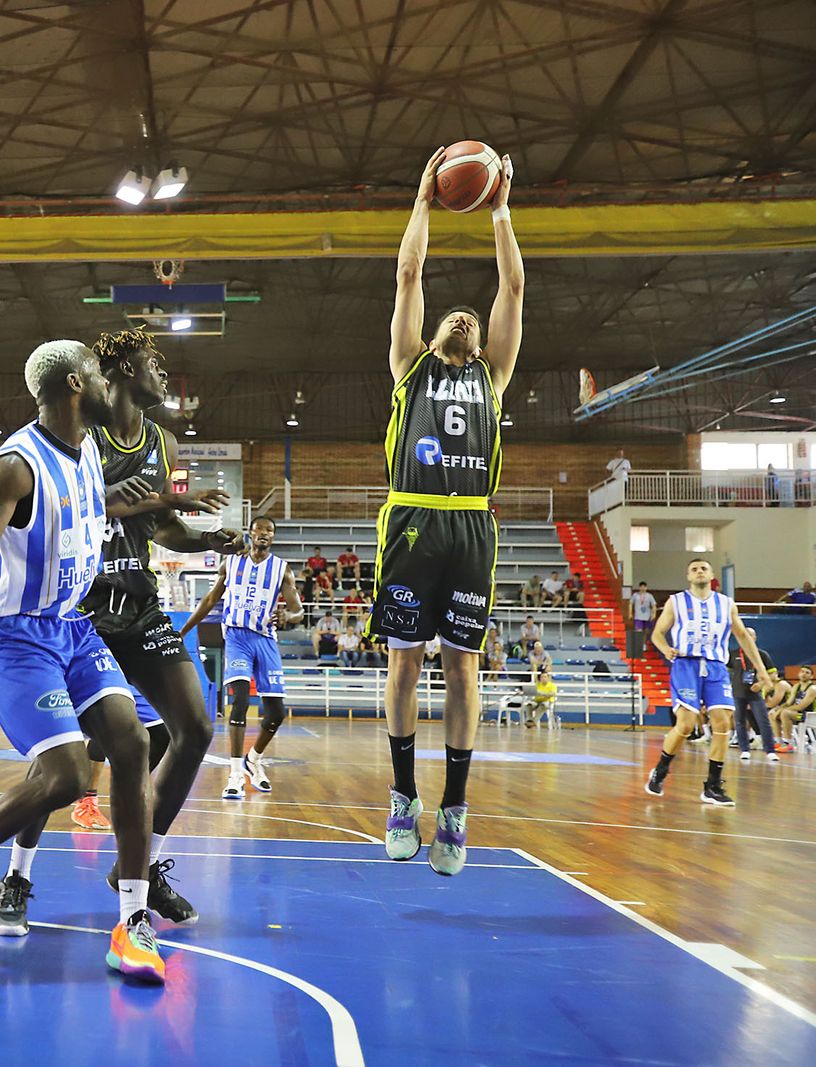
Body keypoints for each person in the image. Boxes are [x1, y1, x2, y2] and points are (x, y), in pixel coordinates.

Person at [0, 339, 165, 984]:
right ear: (76, 383)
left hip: (71, 628)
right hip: (15, 636)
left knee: (132, 742)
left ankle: (133, 923)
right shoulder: (14, 466)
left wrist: (169, 504)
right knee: (69, 775)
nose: (108, 385)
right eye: (99, 375)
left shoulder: (90, 449)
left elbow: (97, 504)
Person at [0, 326, 242, 936]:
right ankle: (17, 876)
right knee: (60, 760)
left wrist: (205, 540)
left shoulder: (165, 441)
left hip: (139, 604)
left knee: (195, 728)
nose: (165, 374)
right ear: (123, 370)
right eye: (155, 363)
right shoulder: (81, 431)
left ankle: (141, 865)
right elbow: (60, 505)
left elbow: (160, 530)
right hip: (80, 611)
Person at [367, 144, 523, 877]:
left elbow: (513, 289)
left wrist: (499, 209)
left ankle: (454, 807)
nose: (464, 316)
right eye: (451, 314)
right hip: (412, 520)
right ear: (429, 334)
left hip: (470, 525)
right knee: (403, 663)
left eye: (471, 314)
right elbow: (409, 273)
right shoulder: (410, 367)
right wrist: (424, 202)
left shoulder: (494, 376)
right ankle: (403, 797)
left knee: (464, 670)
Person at [181, 517, 301, 801]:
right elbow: (210, 600)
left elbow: (297, 610)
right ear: (251, 533)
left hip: (266, 640)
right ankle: (235, 774)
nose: (264, 535)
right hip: (236, 637)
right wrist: (184, 630)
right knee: (240, 701)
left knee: (276, 713)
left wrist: (289, 617)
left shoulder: (282, 570)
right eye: (260, 530)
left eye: (269, 532)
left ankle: (253, 759)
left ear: (273, 537)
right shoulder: (232, 563)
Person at [644, 559, 771, 807]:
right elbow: (657, 633)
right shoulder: (676, 601)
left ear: (712, 575)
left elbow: (743, 637)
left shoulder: (726, 604)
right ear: (688, 576)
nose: (699, 571)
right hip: (686, 665)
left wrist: (762, 670)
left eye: (703, 568)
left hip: (715, 666)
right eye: (694, 569)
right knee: (686, 724)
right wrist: (665, 648)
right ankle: (661, 768)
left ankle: (713, 786)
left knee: (723, 722)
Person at [730, 629, 779, 762]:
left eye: (750, 635)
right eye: (745, 634)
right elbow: (726, 670)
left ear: (755, 638)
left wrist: (762, 684)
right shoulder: (733, 654)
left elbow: (773, 675)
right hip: (738, 693)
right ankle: (744, 749)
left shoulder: (762, 655)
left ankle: (770, 750)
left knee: (763, 721)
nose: (747, 637)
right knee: (739, 722)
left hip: (755, 694)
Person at [771, 665, 814, 752]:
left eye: (807, 673)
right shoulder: (796, 687)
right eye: (802, 671)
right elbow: (788, 703)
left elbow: (801, 706)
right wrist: (777, 709)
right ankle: (778, 742)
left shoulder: (812, 689)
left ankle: (789, 744)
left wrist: (781, 710)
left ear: (811, 676)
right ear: (798, 674)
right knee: (772, 713)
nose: (804, 674)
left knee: (785, 713)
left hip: (808, 716)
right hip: (797, 715)